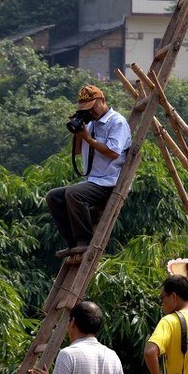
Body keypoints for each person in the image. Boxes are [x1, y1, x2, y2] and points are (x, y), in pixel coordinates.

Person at [45, 85, 131, 255]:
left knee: (74, 193)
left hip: (109, 181)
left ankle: (85, 240)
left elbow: (113, 152)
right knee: (53, 197)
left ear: (103, 101)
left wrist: (87, 138)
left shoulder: (116, 122)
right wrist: (78, 132)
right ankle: (72, 242)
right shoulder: (90, 123)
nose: (90, 112)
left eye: (92, 107)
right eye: (85, 109)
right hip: (93, 181)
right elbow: (77, 151)